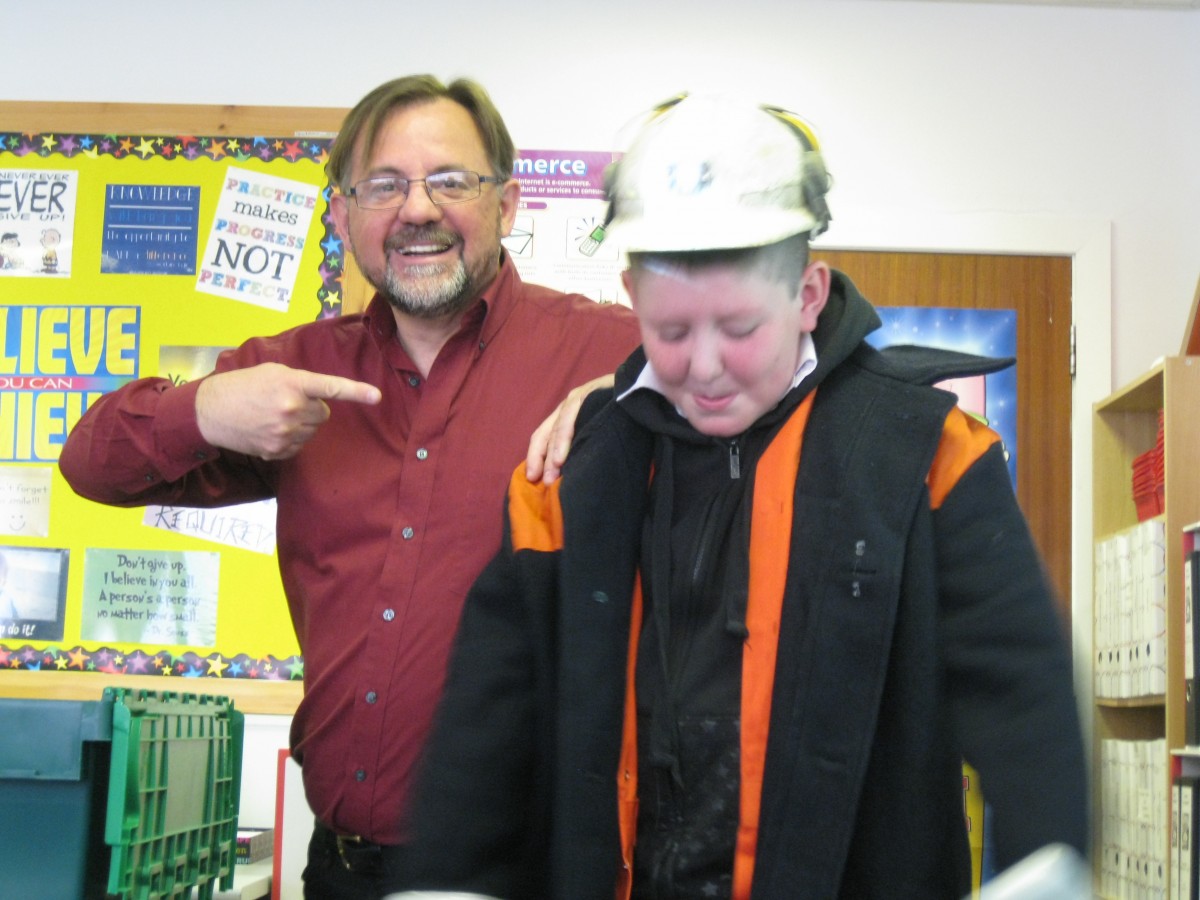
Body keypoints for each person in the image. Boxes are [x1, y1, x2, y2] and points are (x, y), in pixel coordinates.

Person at [391, 94, 1089, 900]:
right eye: (672, 331)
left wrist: (1048, 863)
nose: (706, 366)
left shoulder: (927, 455)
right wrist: (444, 882)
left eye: (740, 328)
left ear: (809, 294)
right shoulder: (571, 480)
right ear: (632, 295)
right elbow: (484, 726)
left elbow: (1021, 690)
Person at [57, 74, 641, 899]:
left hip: (536, 873)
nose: (418, 209)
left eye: (450, 181)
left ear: (508, 205)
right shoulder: (292, 374)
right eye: (383, 186)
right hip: (341, 867)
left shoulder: (610, 352)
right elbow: (90, 465)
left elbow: (783, 375)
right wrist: (204, 410)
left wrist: (641, 386)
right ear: (341, 216)